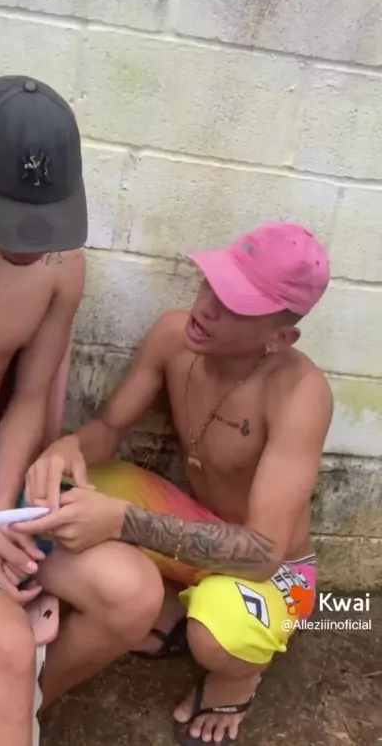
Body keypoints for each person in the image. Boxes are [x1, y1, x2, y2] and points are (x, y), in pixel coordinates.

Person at [0, 75, 162, 746]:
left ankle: (14, 708)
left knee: (133, 592)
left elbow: (26, 397)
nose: (32, 243)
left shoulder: (60, 266)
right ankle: (3, 690)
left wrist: (1, 515)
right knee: (4, 648)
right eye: (14, 221)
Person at [18, 222, 333, 746]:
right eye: (211, 284)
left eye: (235, 306)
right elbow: (109, 429)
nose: (206, 308)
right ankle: (168, 617)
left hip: (274, 569)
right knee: (70, 486)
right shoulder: (173, 334)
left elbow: (262, 554)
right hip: (196, 524)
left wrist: (124, 522)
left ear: (279, 338)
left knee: (217, 638)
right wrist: (66, 449)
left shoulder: (300, 394)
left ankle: (239, 678)